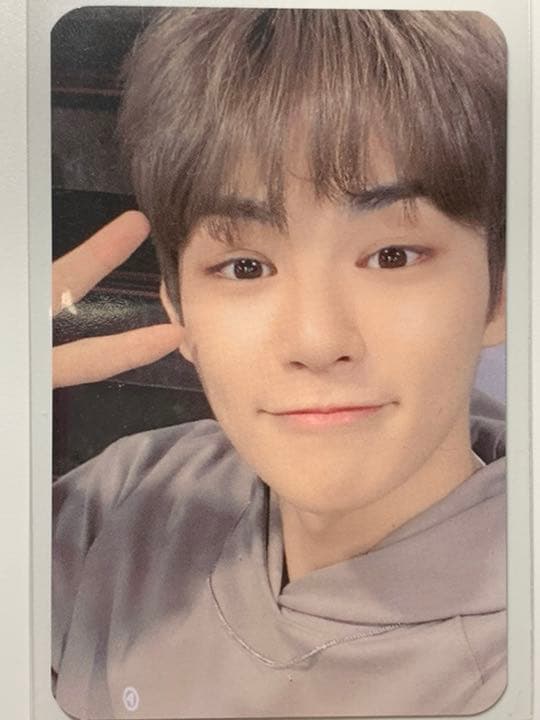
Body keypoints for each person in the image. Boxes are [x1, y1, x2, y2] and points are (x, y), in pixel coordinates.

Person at [52, 8, 507, 718]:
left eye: (392, 256)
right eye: (244, 266)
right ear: (178, 307)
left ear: (501, 293)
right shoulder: (120, 502)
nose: (316, 340)